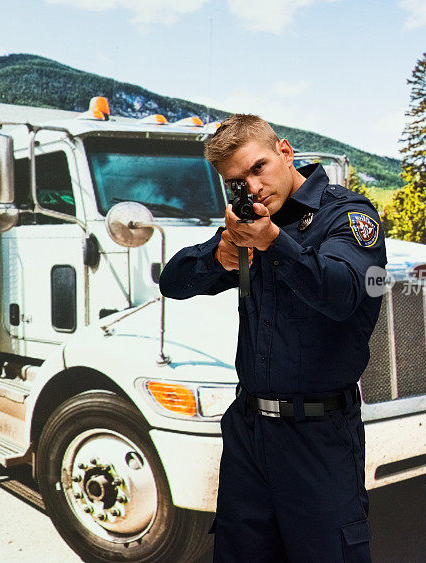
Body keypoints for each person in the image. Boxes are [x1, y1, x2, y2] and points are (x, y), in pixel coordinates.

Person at [158, 114, 387, 562]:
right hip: (249, 430)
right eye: (236, 181)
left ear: (285, 151)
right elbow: (173, 283)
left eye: (258, 167)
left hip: (318, 433)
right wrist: (221, 255)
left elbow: (342, 294)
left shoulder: (347, 215)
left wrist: (273, 242)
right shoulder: (253, 222)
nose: (253, 186)